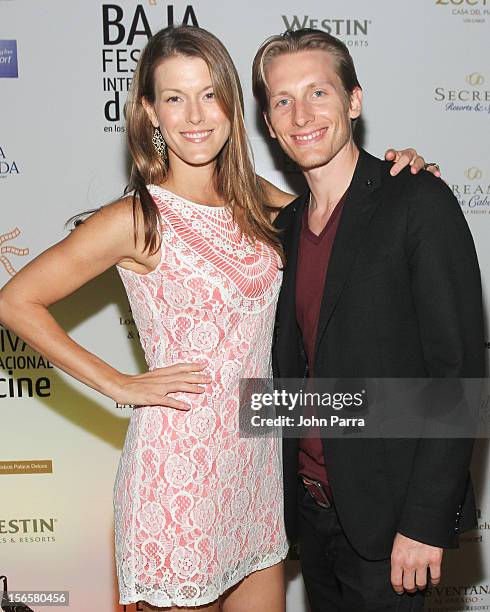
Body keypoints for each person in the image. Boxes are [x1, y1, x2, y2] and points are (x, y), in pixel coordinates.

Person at [0, 25, 434, 612]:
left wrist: (399, 174)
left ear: (232, 103)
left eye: (210, 94)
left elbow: (347, 206)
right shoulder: (138, 218)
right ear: (150, 111)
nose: (195, 115)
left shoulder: (257, 199)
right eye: (174, 98)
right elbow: (14, 300)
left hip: (256, 476)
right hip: (178, 478)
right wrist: (119, 384)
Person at [252, 28, 484, 612]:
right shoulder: (284, 230)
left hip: (391, 526)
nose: (301, 114)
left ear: (354, 101)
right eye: (283, 100)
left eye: (318, 93)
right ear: (269, 120)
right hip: (309, 516)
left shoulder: (418, 202)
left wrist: (426, 521)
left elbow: (457, 373)